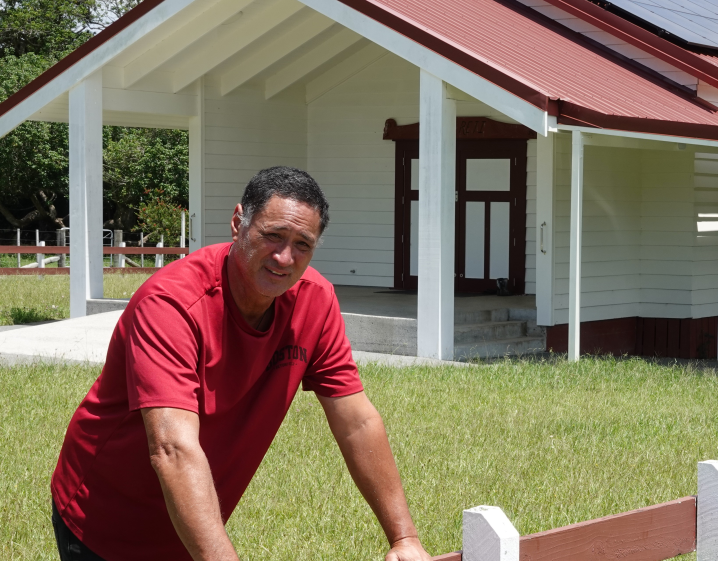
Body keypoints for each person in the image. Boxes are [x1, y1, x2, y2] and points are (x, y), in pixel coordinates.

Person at [49, 166, 431, 561]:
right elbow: (173, 449)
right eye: (273, 236)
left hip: (193, 523)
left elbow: (357, 421)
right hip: (105, 518)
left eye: (303, 244)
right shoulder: (171, 304)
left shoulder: (315, 300)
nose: (285, 258)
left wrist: (403, 538)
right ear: (238, 223)